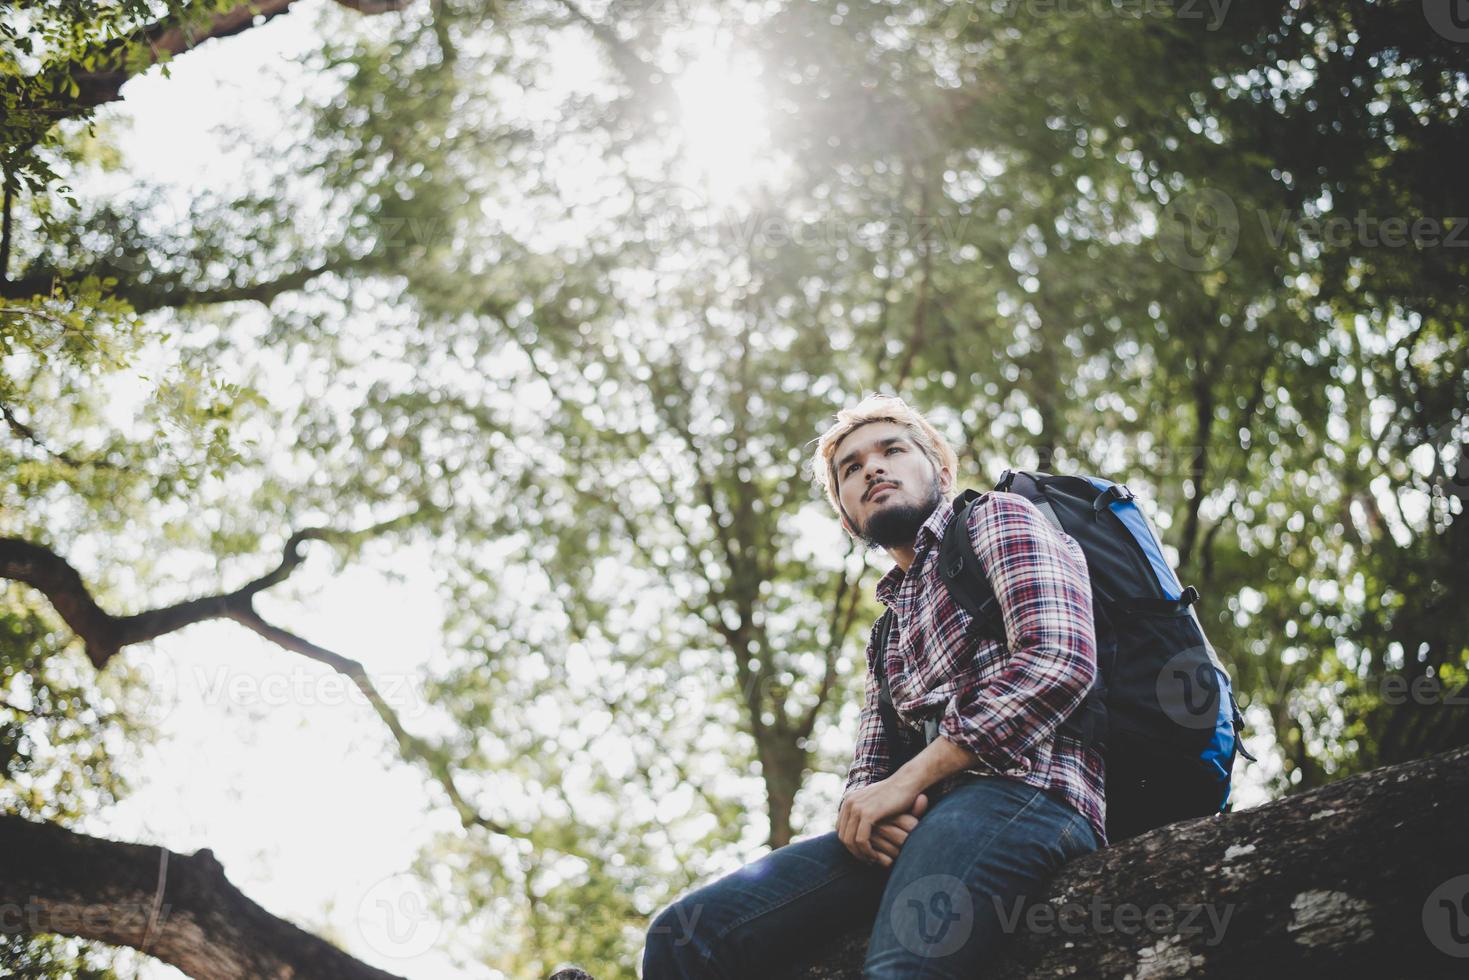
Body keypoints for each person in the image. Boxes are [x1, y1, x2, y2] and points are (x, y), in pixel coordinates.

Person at [642, 393, 1105, 979]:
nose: (872, 469)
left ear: (938, 467)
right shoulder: (887, 629)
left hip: (1032, 794)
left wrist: (910, 780)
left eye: (891, 450)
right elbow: (869, 770)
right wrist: (863, 816)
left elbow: (1059, 660)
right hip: (922, 824)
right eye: (851, 469)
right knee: (686, 937)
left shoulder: (995, 517)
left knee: (897, 969)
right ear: (847, 517)